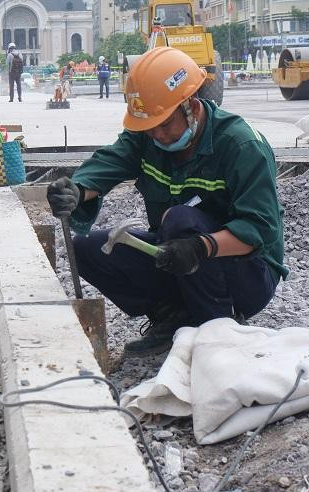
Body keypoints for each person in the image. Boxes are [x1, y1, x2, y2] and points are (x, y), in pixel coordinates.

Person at [46, 47, 286, 357]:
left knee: (180, 220)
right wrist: (77, 191)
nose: (157, 135)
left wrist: (202, 246)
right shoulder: (148, 136)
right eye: (149, 127)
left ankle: (217, 326)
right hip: (178, 258)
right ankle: (173, 316)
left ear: (191, 104)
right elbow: (110, 162)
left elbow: (259, 230)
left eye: (165, 124)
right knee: (85, 249)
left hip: (247, 275)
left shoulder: (241, 145)